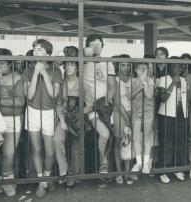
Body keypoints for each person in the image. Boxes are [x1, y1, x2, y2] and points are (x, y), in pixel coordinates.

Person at [23, 39, 62, 198]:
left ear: (48, 53)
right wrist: (36, 73)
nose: (35, 51)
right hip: (32, 111)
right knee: (36, 149)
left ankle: (46, 176)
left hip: (48, 112)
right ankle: (42, 181)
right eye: (34, 49)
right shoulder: (28, 69)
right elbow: (29, 95)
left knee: (50, 151)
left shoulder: (56, 70)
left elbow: (53, 95)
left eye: (39, 49)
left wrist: (44, 72)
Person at [0, 48, 25, 196]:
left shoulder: (17, 78)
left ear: (10, 64)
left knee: (9, 153)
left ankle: (7, 183)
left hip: (12, 119)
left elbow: (20, 101)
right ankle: (1, 182)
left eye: (2, 64)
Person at [83, 34, 116, 174]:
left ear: (103, 45)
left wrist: (105, 102)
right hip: (89, 106)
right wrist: (84, 56)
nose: (95, 46)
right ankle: (103, 163)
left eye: (98, 43)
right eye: (92, 44)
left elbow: (112, 86)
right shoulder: (82, 61)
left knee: (108, 136)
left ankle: (105, 166)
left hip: (104, 105)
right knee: (104, 134)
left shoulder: (107, 63)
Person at [157, 57, 189, 183]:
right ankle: (162, 170)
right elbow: (163, 98)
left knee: (181, 142)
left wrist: (189, 84)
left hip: (182, 116)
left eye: (180, 66)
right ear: (170, 67)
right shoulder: (164, 79)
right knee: (166, 143)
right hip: (167, 115)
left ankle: (178, 168)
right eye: (175, 66)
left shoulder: (184, 80)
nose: (177, 69)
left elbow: (190, 99)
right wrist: (172, 83)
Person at [53, 57, 81, 188]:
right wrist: (62, 121)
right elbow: (58, 104)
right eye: (67, 65)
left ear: (77, 67)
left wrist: (80, 118)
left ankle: (73, 175)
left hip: (78, 120)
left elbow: (88, 103)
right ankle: (63, 170)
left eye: (72, 65)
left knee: (76, 148)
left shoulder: (81, 83)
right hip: (64, 118)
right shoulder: (61, 83)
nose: (69, 67)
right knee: (57, 139)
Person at [111, 54, 135, 184]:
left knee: (129, 143)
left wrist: (133, 117)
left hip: (132, 114)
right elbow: (116, 102)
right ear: (117, 66)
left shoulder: (134, 79)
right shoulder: (114, 80)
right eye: (122, 65)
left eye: (127, 65)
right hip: (120, 113)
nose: (125, 68)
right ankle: (119, 172)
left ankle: (128, 171)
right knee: (118, 142)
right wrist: (127, 118)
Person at [127, 63, 155, 174]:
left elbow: (149, 95)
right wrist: (140, 88)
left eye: (144, 68)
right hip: (136, 111)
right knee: (136, 137)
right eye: (139, 68)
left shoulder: (150, 80)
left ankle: (146, 164)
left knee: (147, 137)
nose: (142, 70)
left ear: (148, 70)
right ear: (135, 70)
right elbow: (129, 96)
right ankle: (139, 163)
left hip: (148, 111)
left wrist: (144, 82)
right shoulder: (132, 81)